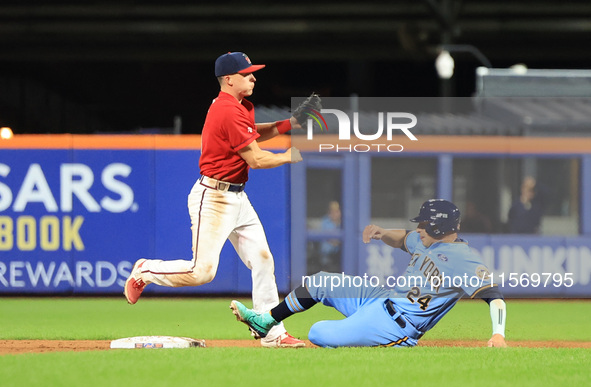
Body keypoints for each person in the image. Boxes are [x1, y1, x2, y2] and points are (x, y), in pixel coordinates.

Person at [124, 51, 318, 348]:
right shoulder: (227, 110)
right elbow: (254, 158)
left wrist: (290, 123)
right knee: (202, 272)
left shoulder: (238, 107)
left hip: (238, 197)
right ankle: (145, 270)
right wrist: (287, 156)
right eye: (247, 73)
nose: (253, 76)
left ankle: (271, 332)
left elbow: (253, 135)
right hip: (213, 197)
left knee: (264, 260)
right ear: (229, 79)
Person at [231, 199, 507, 348]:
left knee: (317, 332)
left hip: (395, 326)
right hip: (378, 300)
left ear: (439, 227)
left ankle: (387, 341)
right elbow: (403, 238)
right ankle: (265, 321)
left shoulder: (465, 259)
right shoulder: (425, 240)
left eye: (424, 224)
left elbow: (494, 297)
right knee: (320, 281)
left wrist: (498, 334)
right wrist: (384, 233)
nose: (419, 229)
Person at [318, 200, 342, 271]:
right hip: (326, 258)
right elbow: (328, 237)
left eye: (336, 211)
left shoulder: (343, 222)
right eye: (332, 212)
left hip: (339, 258)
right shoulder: (325, 221)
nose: (334, 214)